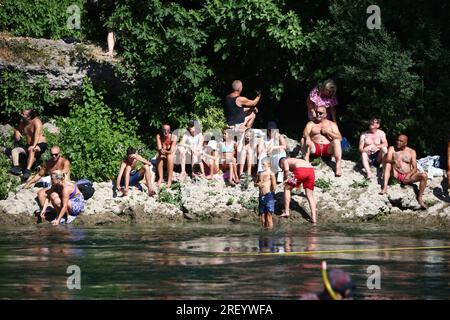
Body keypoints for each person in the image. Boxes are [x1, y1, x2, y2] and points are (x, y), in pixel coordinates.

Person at [379, 134, 428, 209]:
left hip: (406, 176)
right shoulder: (392, 148)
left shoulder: (411, 151)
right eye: (397, 140)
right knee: (388, 164)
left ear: (406, 143)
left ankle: (420, 198)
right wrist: (394, 161)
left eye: (401, 141)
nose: (398, 142)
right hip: (395, 173)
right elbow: (387, 159)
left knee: (424, 175)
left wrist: (409, 174)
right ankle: (385, 187)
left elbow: (415, 168)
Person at [302, 106, 343, 177]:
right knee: (303, 139)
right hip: (314, 147)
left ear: (325, 114)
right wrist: (308, 138)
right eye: (316, 112)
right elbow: (305, 132)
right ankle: (306, 164)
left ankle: (338, 166)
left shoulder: (332, 124)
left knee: (336, 141)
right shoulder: (311, 123)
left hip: (328, 149)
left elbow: (339, 137)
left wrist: (328, 132)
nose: (318, 114)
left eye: (320, 113)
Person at [8, 109, 48, 181]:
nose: (21, 114)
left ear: (29, 117)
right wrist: (17, 132)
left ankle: (27, 170)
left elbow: (37, 134)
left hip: (40, 144)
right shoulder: (23, 122)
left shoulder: (36, 122)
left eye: (23, 114)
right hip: (29, 145)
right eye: (22, 113)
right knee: (15, 150)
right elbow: (18, 129)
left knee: (32, 150)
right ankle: (16, 167)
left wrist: (34, 145)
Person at [279, 157, 317, 223]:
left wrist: (285, 180)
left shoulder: (285, 161)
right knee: (310, 196)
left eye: (281, 167)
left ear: (281, 164)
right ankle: (314, 218)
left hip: (301, 170)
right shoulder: (296, 160)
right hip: (311, 171)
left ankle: (286, 212)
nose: (282, 169)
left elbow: (286, 170)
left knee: (287, 188)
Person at [255, 157, 276, 229]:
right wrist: (258, 184)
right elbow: (255, 183)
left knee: (269, 216)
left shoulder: (271, 174)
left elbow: (274, 186)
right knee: (262, 216)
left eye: (263, 164)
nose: (262, 166)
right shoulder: (260, 173)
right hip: (261, 196)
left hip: (269, 195)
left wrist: (271, 195)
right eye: (261, 164)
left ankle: (269, 233)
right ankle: (263, 233)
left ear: (269, 165)